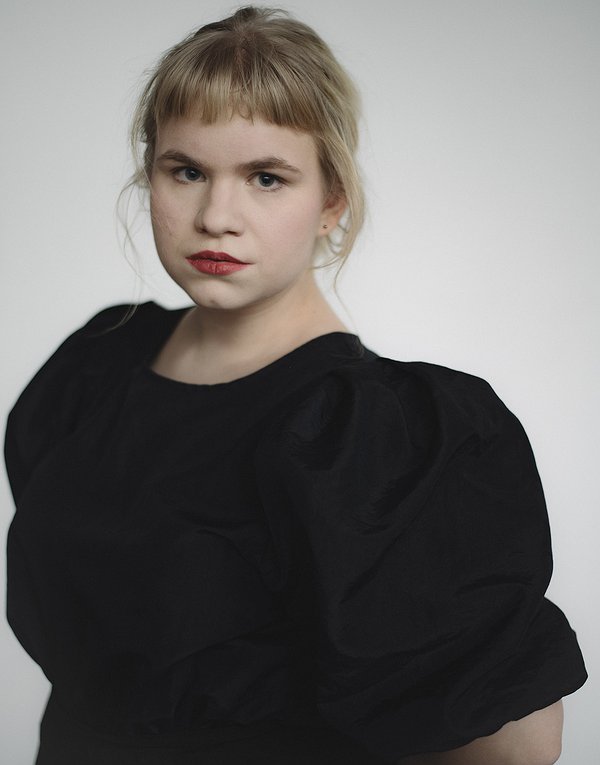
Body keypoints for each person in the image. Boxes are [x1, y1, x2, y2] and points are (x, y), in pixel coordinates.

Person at [4, 6, 587, 765]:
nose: (217, 216)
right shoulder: (97, 366)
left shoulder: (372, 438)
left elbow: (515, 749)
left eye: (266, 178)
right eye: (187, 171)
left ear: (331, 200)